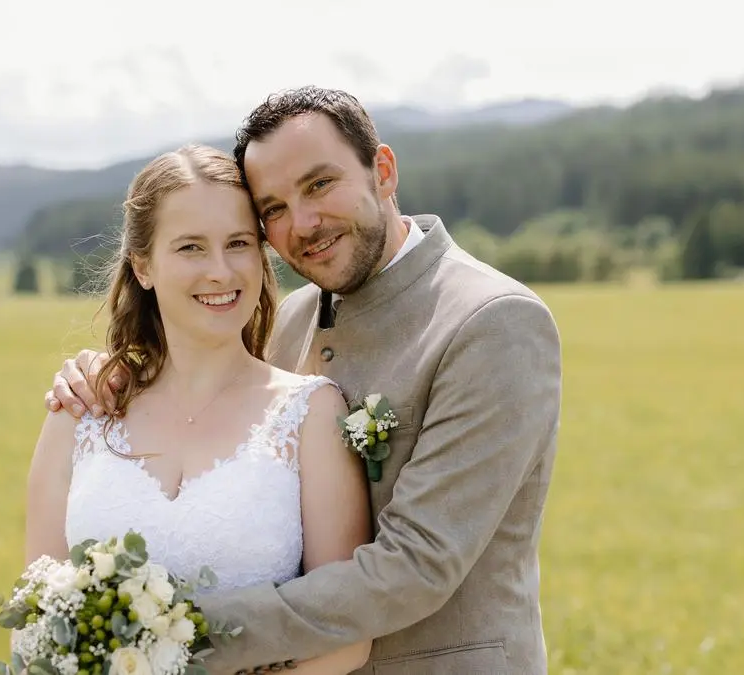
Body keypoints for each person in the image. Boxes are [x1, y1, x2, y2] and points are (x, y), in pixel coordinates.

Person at [44, 86, 563, 675]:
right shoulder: (293, 318)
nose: (304, 224)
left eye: (319, 185)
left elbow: (417, 564)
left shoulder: (492, 322)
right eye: (274, 209)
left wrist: (162, 636)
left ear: (383, 171)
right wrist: (112, 372)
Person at [21, 143, 375, 674]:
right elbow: (34, 623)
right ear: (142, 266)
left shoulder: (311, 416)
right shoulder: (80, 411)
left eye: (238, 243)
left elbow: (346, 638)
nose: (220, 271)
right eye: (191, 247)